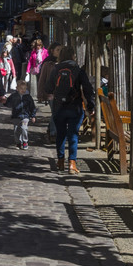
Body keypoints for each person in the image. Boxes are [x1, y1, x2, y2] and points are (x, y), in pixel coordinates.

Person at [49, 45, 94, 174]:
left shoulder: (56, 69)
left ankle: (60, 161)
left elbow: (48, 87)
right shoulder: (78, 70)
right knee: (73, 135)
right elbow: (88, 89)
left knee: (61, 134)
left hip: (59, 108)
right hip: (75, 107)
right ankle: (72, 164)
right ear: (73, 56)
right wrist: (90, 106)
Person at [6, 77, 39, 151]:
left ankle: (25, 141)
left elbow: (32, 107)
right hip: (16, 115)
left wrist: (33, 116)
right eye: (21, 88)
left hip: (25, 116)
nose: (23, 90)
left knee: (24, 129)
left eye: (24, 88)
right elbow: (8, 103)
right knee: (16, 130)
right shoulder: (14, 96)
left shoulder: (28, 97)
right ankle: (18, 142)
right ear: (17, 88)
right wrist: (5, 102)